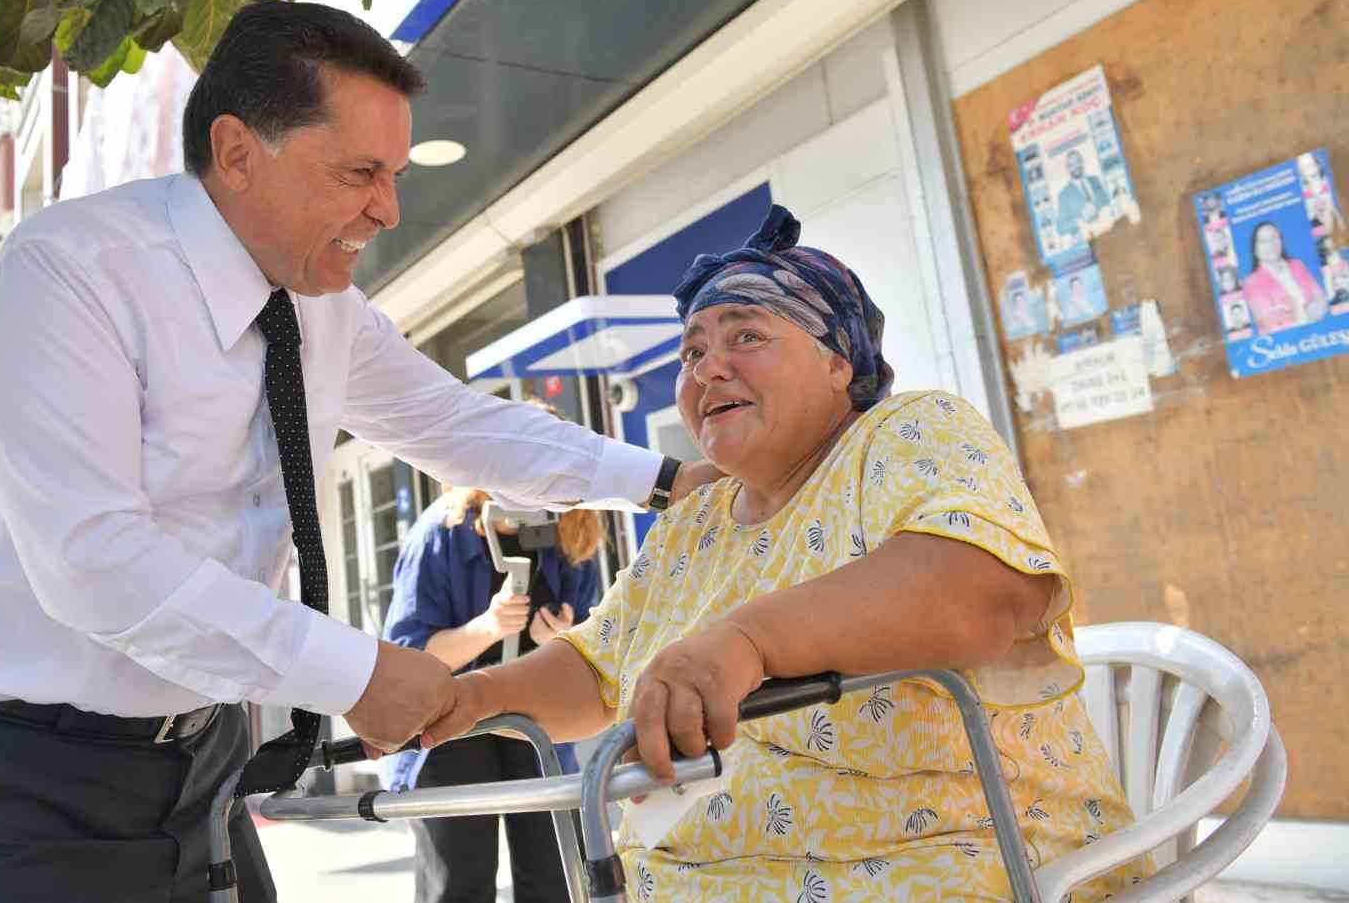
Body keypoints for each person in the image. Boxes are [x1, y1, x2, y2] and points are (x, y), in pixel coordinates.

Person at [0, 0, 718, 903]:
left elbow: (460, 426)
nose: (387, 209)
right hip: (9, 781)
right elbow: (94, 565)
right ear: (237, 152)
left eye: (391, 173)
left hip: (200, 760)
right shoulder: (70, 272)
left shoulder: (322, 308)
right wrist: (353, 672)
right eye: (359, 172)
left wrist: (668, 482)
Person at [421, 205, 1148, 901]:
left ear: (839, 361)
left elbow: (984, 592)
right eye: (693, 350)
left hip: (949, 865)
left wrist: (747, 642)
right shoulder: (692, 519)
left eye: (746, 337)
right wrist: (470, 697)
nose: (708, 368)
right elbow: (596, 665)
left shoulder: (905, 433)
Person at [382, 398, 605, 903]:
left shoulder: (574, 527)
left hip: (535, 720)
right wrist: (485, 628)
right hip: (448, 722)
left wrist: (562, 646)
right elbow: (407, 657)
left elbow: (594, 646)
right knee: (459, 882)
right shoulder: (441, 533)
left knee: (555, 878)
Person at [1240, 221, 1327, 334]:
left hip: (1318, 332)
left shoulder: (1297, 265)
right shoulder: (1251, 283)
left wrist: (1318, 306)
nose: (1271, 244)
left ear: (1281, 241)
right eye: (1263, 241)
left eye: (1274, 238)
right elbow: (1270, 323)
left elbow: (1320, 296)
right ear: (1255, 249)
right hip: (1287, 343)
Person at [1054, 150, 1110, 239]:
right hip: (1087, 240)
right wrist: (1081, 219)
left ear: (1082, 162)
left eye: (1077, 161)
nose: (1076, 166)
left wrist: (1095, 206)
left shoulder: (1095, 180)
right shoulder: (1064, 195)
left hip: (1107, 231)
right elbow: (1061, 227)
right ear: (1067, 168)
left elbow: (1106, 198)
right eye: (1071, 164)